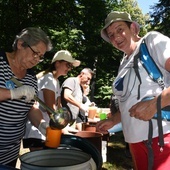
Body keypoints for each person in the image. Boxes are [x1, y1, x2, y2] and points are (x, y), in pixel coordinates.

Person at [96, 11, 170, 170]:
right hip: (135, 141)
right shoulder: (124, 62)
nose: (115, 37)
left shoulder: (152, 41)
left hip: (162, 136)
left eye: (119, 29)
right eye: (111, 35)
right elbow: (128, 103)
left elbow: (149, 102)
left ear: (134, 28)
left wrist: (154, 105)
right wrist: (114, 120)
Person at [0, 27, 52, 167]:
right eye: (35, 53)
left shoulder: (31, 77)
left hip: (10, 153)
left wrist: (41, 124)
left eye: (40, 56)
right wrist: (12, 93)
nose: (36, 59)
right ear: (20, 44)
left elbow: (30, 107)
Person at [23, 50, 80, 151]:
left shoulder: (56, 81)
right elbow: (51, 110)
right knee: (38, 163)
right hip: (37, 130)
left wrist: (64, 126)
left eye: (70, 66)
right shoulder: (48, 78)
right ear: (57, 63)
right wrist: (63, 128)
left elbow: (58, 108)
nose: (69, 68)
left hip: (47, 129)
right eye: (68, 65)